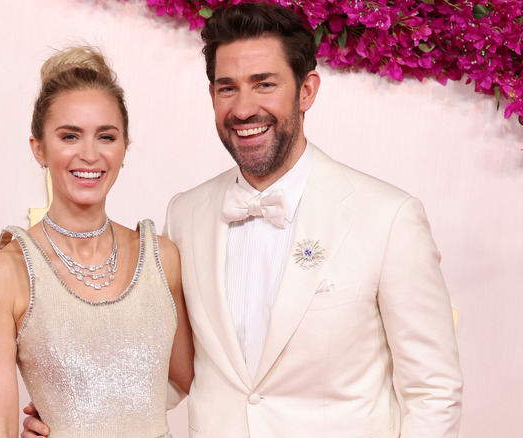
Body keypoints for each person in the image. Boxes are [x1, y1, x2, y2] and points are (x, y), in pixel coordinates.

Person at [23, 3, 462, 437]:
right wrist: (76, 417)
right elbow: (177, 370)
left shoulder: (389, 217)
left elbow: (434, 391)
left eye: (264, 84)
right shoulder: (185, 214)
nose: (244, 108)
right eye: (227, 88)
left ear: (306, 90)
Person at [0, 44, 194, 438]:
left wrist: (105, 409)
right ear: (39, 148)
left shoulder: (162, 257)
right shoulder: (2, 274)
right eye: (69, 136)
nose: (89, 154)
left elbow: (191, 379)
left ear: (124, 148)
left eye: (106, 136)